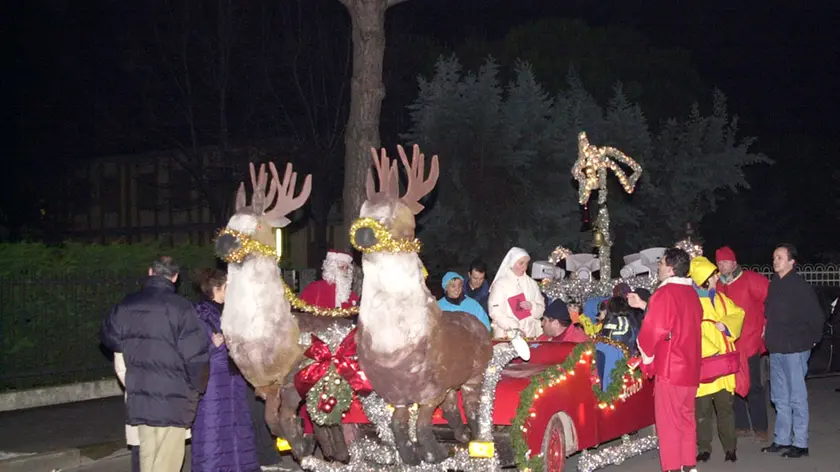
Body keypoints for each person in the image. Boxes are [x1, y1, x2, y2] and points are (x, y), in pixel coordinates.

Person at [100, 256, 210, 472]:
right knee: (168, 460)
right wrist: (198, 387)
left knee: (148, 455)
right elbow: (196, 355)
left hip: (140, 392)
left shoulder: (126, 305)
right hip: (175, 395)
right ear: (175, 277)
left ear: (150, 272)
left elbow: (108, 337)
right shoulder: (182, 308)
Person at [631, 248, 703, 472]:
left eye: (661, 263)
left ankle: (671, 467)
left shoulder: (665, 293)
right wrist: (645, 306)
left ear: (671, 269)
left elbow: (653, 330)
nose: (658, 267)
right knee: (686, 419)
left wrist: (647, 357)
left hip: (670, 367)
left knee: (668, 423)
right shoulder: (692, 294)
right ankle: (688, 465)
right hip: (690, 367)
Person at [190, 268, 260, 472]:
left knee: (237, 426)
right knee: (213, 427)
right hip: (213, 378)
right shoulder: (200, 311)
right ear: (217, 288)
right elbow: (192, 344)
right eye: (229, 286)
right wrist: (212, 343)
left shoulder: (231, 310)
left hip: (234, 376)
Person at [761, 243, 824, 458]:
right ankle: (782, 439)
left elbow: (816, 317)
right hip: (777, 349)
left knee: (796, 397)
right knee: (779, 397)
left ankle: (801, 443)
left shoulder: (800, 287)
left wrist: (811, 341)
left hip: (795, 349)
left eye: (779, 257)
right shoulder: (775, 285)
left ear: (791, 261)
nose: (775, 261)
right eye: (774, 257)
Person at [689, 256, 745, 464]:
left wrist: (726, 324)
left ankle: (730, 448)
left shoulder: (721, 298)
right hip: (702, 364)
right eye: (713, 275)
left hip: (722, 365)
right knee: (702, 412)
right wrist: (709, 347)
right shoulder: (690, 302)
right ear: (704, 278)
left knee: (725, 410)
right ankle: (704, 448)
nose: (717, 277)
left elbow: (738, 313)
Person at [715, 246, 771, 440]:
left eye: (725, 262)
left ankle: (760, 426)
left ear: (734, 262)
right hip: (729, 343)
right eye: (719, 263)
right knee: (732, 385)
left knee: (754, 384)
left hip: (750, 341)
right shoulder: (719, 285)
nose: (722, 266)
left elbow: (770, 301)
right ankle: (741, 424)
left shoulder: (751, 280)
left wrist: (765, 325)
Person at [488, 247, 546, 339]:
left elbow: (541, 309)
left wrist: (532, 306)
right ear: (512, 263)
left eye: (526, 263)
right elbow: (495, 312)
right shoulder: (500, 284)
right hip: (506, 336)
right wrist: (515, 328)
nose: (524, 267)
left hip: (530, 335)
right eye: (521, 263)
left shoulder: (533, 284)